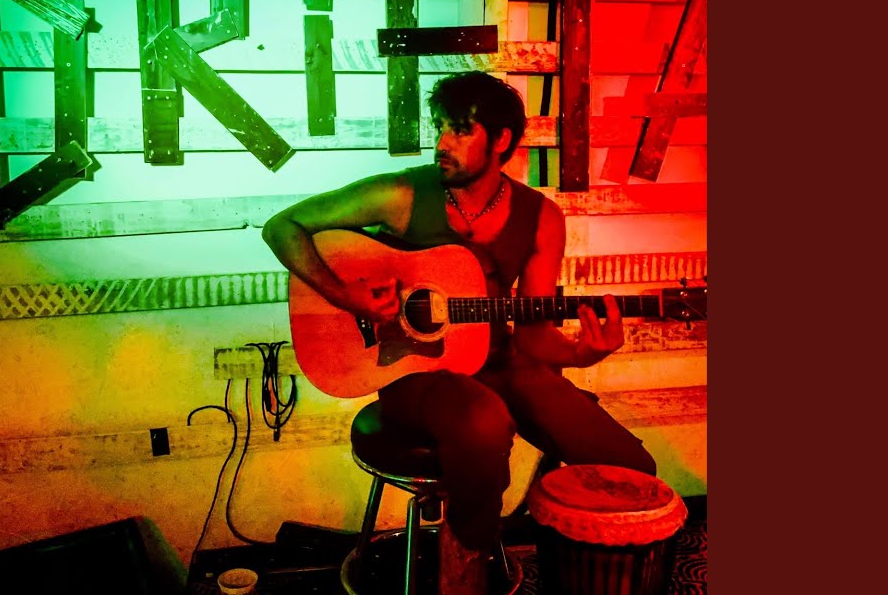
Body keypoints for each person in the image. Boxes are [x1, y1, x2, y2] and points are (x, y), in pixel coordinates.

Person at [261, 71, 655, 594]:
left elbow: (533, 337)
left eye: (460, 130)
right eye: (440, 127)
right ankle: (462, 563)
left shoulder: (541, 218)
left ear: (502, 141)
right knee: (483, 420)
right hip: (414, 375)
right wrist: (346, 296)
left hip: (501, 364)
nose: (442, 143)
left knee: (632, 468)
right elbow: (282, 227)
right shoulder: (402, 194)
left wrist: (584, 353)